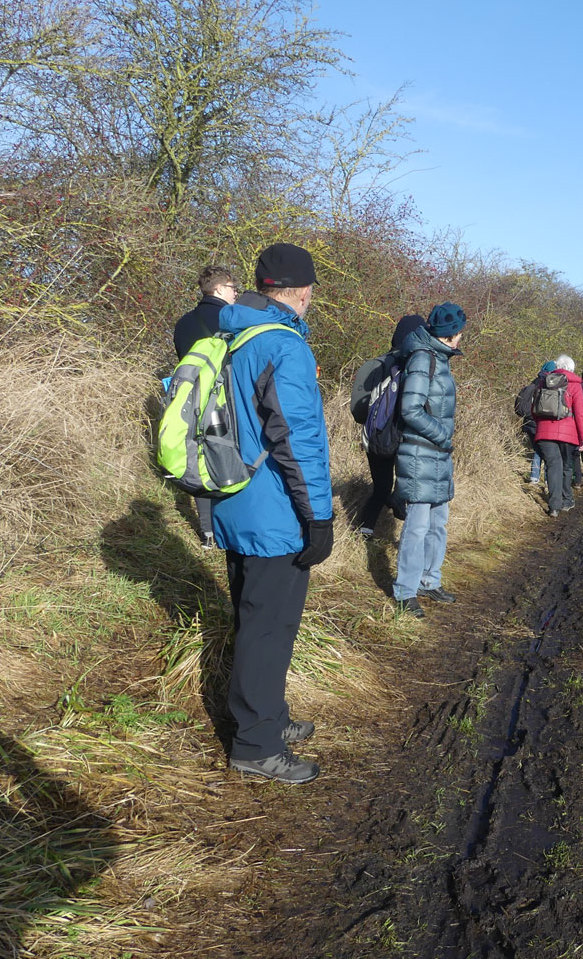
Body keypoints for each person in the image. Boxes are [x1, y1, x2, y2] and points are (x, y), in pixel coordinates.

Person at [212, 243, 331, 785]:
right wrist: (319, 518)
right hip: (276, 512)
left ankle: (270, 717)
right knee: (270, 628)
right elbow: (298, 441)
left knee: (254, 619)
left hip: (233, 498)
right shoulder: (285, 346)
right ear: (302, 291)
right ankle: (255, 744)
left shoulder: (232, 333)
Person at [391, 302, 466, 620]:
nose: (463, 337)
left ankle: (429, 580)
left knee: (438, 524)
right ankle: (405, 592)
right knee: (417, 526)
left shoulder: (439, 359)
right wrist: (442, 434)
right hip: (421, 453)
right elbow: (411, 410)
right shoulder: (424, 358)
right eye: (461, 332)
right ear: (452, 335)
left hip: (437, 455)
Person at [173, 265, 238, 549]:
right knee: (225, 453)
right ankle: (228, 526)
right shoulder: (232, 319)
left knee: (198, 452)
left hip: (191, 397)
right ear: (220, 289)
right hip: (225, 398)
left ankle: (207, 532)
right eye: (233, 288)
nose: (236, 293)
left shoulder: (183, 323)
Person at [356, 314, 427, 537]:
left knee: (381, 487)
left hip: (376, 436)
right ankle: (408, 537)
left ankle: (365, 530)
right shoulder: (419, 368)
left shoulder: (373, 365)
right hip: (408, 438)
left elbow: (357, 409)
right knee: (408, 490)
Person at [534, 354, 583, 516]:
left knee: (552, 466)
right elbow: (580, 413)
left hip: (544, 432)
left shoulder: (544, 381)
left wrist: (540, 425)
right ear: (571, 369)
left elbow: (534, 408)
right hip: (568, 433)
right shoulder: (575, 385)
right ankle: (567, 500)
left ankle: (554, 506)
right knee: (566, 466)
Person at [515, 360, 556, 485]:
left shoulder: (533, 383)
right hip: (539, 422)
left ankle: (534, 476)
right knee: (546, 451)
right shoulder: (548, 385)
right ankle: (547, 479)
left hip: (528, 423)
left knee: (537, 449)